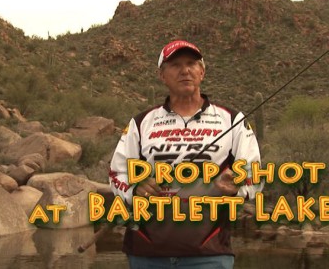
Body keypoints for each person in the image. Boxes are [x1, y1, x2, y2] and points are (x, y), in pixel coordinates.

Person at [109, 40, 263, 268]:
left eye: (191, 63)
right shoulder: (141, 123)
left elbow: (255, 175)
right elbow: (117, 173)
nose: (185, 70)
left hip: (210, 253)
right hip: (146, 252)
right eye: (175, 65)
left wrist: (238, 186)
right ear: (162, 75)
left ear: (202, 72)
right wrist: (135, 187)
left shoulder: (232, 120)